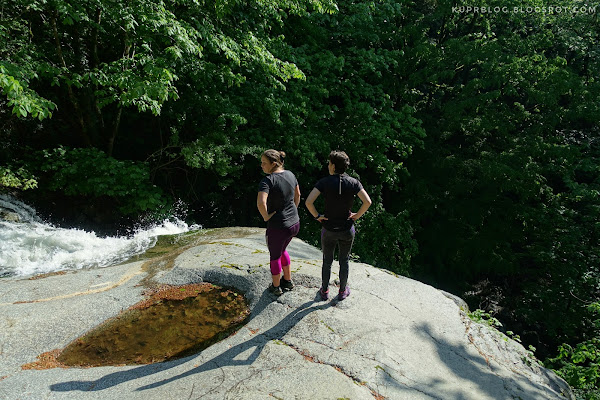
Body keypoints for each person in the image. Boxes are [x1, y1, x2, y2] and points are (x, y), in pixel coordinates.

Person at [305, 150, 372, 301]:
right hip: (347, 229)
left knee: (327, 261)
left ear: (333, 166)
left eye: (329, 163)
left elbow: (308, 202)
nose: (328, 166)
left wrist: (317, 216)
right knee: (344, 260)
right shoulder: (354, 183)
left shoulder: (324, 182)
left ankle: (324, 291)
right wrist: (356, 216)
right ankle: (342, 292)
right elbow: (367, 202)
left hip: (328, 228)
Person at [257, 149, 301, 296]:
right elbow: (298, 195)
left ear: (273, 163)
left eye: (264, 163)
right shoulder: (290, 174)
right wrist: (293, 210)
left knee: (275, 256)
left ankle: (276, 287)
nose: (261, 166)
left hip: (279, 226)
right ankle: (287, 281)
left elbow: (261, 203)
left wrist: (266, 217)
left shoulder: (267, 181)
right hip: (294, 223)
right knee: (282, 250)